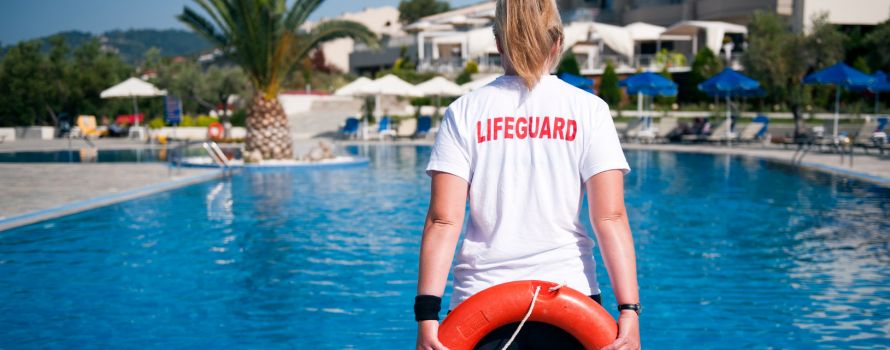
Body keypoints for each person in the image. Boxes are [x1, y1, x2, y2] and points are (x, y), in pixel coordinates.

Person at [414, 1, 641, 349]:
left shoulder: (464, 112)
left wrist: (427, 316)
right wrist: (629, 310)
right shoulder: (589, 110)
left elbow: (443, 221)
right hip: (569, 299)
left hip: (482, 304)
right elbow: (610, 216)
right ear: (557, 44)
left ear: (498, 42)